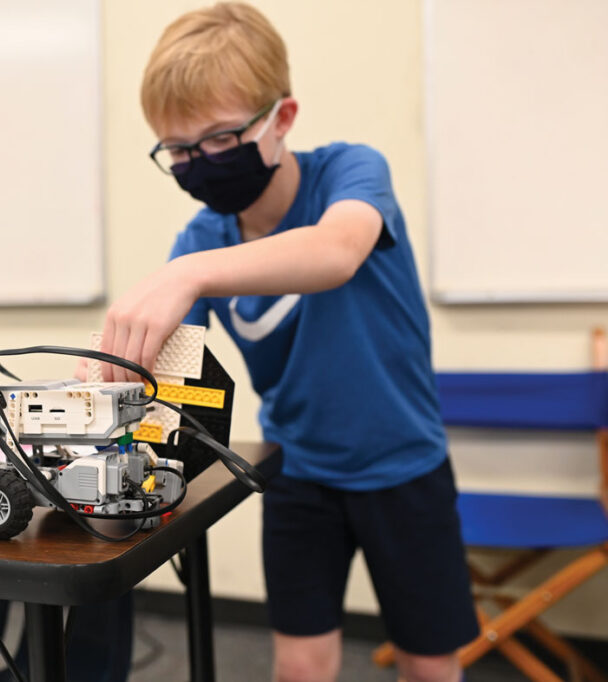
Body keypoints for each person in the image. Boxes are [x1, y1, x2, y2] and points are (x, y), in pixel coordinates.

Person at [97, 4, 478, 681]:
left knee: (428, 664)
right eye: (178, 150)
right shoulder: (202, 241)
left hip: (404, 469)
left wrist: (186, 274)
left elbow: (335, 252)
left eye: (218, 139)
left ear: (283, 118)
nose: (198, 164)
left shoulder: (350, 174)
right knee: (300, 666)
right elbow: (173, 381)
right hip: (298, 473)